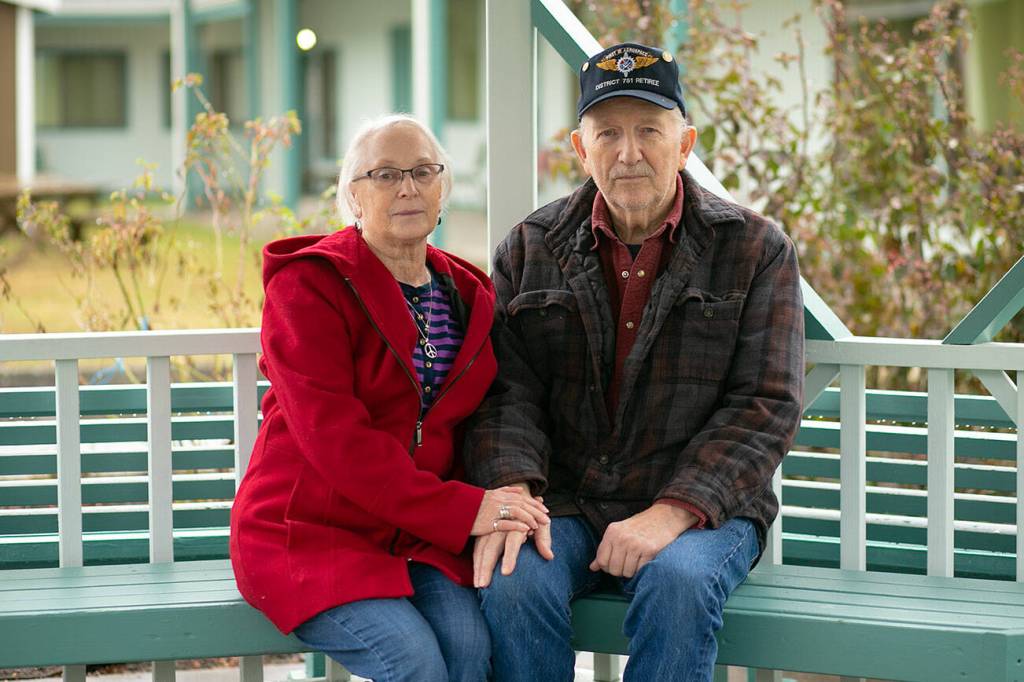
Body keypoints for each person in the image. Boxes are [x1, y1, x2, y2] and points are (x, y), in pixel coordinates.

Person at [464, 43, 805, 682]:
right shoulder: (529, 248)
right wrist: (513, 490)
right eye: (608, 133)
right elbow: (505, 393)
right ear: (580, 147)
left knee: (679, 583)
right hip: (567, 501)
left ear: (684, 144)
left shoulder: (756, 249)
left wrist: (670, 512)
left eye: (649, 130)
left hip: (702, 509)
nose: (628, 152)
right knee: (512, 577)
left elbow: (765, 404)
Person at [229, 114, 549, 682]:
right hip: (308, 533)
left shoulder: (469, 293)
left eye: (424, 172)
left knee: (471, 650)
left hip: (412, 538)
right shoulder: (309, 286)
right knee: (413, 661)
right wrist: (465, 510)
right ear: (353, 196)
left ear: (443, 188)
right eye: (384, 174)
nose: (408, 188)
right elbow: (337, 441)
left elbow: (493, 411)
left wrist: (510, 494)